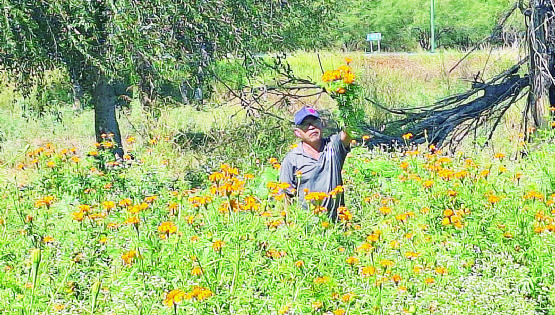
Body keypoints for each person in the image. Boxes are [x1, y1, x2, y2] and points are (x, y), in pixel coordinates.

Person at [279, 106, 352, 219]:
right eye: (305, 125)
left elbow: (351, 130)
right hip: (308, 226)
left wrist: (344, 97)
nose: (312, 127)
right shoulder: (292, 159)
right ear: (297, 133)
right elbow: (285, 195)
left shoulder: (333, 146)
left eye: (315, 122)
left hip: (337, 223)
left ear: (321, 124)